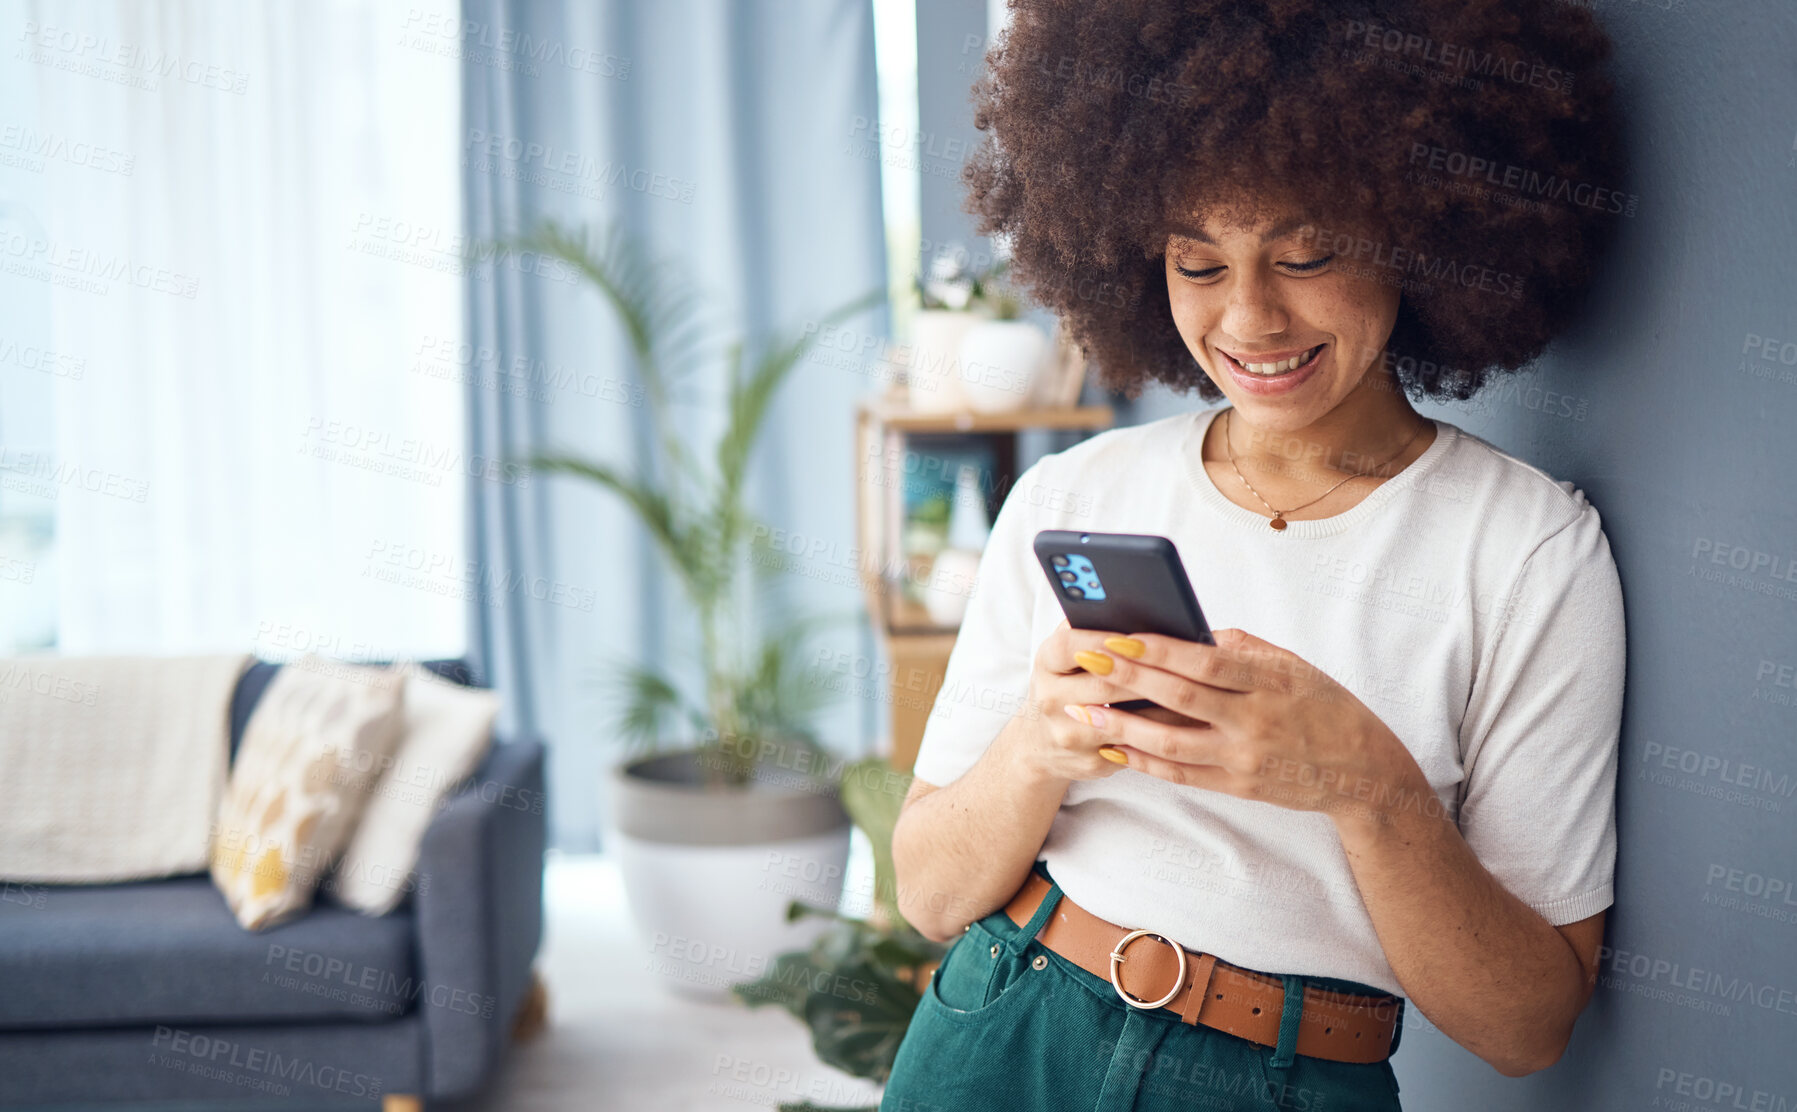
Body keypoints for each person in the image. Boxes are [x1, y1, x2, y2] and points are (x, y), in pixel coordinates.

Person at [882, 2, 1629, 1109]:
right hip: (1005, 1023)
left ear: (1420, 232)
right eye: (1197, 262)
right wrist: (1041, 743)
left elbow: (1528, 1026)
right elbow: (931, 894)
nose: (1249, 319)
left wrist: (1364, 784)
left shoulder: (1528, 551)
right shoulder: (1074, 493)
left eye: (1307, 252)